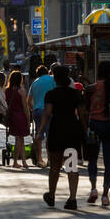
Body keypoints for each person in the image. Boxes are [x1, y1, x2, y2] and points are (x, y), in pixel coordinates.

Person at [38, 63, 85, 210]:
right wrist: (84, 129)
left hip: (57, 130)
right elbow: (83, 114)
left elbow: (47, 114)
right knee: (71, 166)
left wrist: (40, 132)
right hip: (72, 131)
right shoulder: (76, 94)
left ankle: (51, 196)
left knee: (55, 166)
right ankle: (72, 198)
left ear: (55, 78)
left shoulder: (51, 94)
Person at [83, 60, 110, 206]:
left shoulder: (91, 88)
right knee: (108, 160)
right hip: (109, 126)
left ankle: (93, 189)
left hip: (94, 125)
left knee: (92, 158)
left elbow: (85, 108)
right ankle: (105, 195)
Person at [28, 62, 55, 168]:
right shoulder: (52, 79)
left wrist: (33, 109)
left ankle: (39, 159)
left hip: (37, 111)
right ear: (47, 72)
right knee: (50, 136)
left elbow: (28, 100)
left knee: (38, 134)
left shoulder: (34, 83)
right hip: (49, 111)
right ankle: (50, 159)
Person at [4, 68, 32, 171]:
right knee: (20, 139)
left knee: (19, 139)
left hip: (12, 116)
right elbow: (25, 107)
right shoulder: (21, 91)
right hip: (20, 116)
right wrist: (28, 119)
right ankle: (16, 161)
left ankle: (23, 161)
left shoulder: (7, 91)